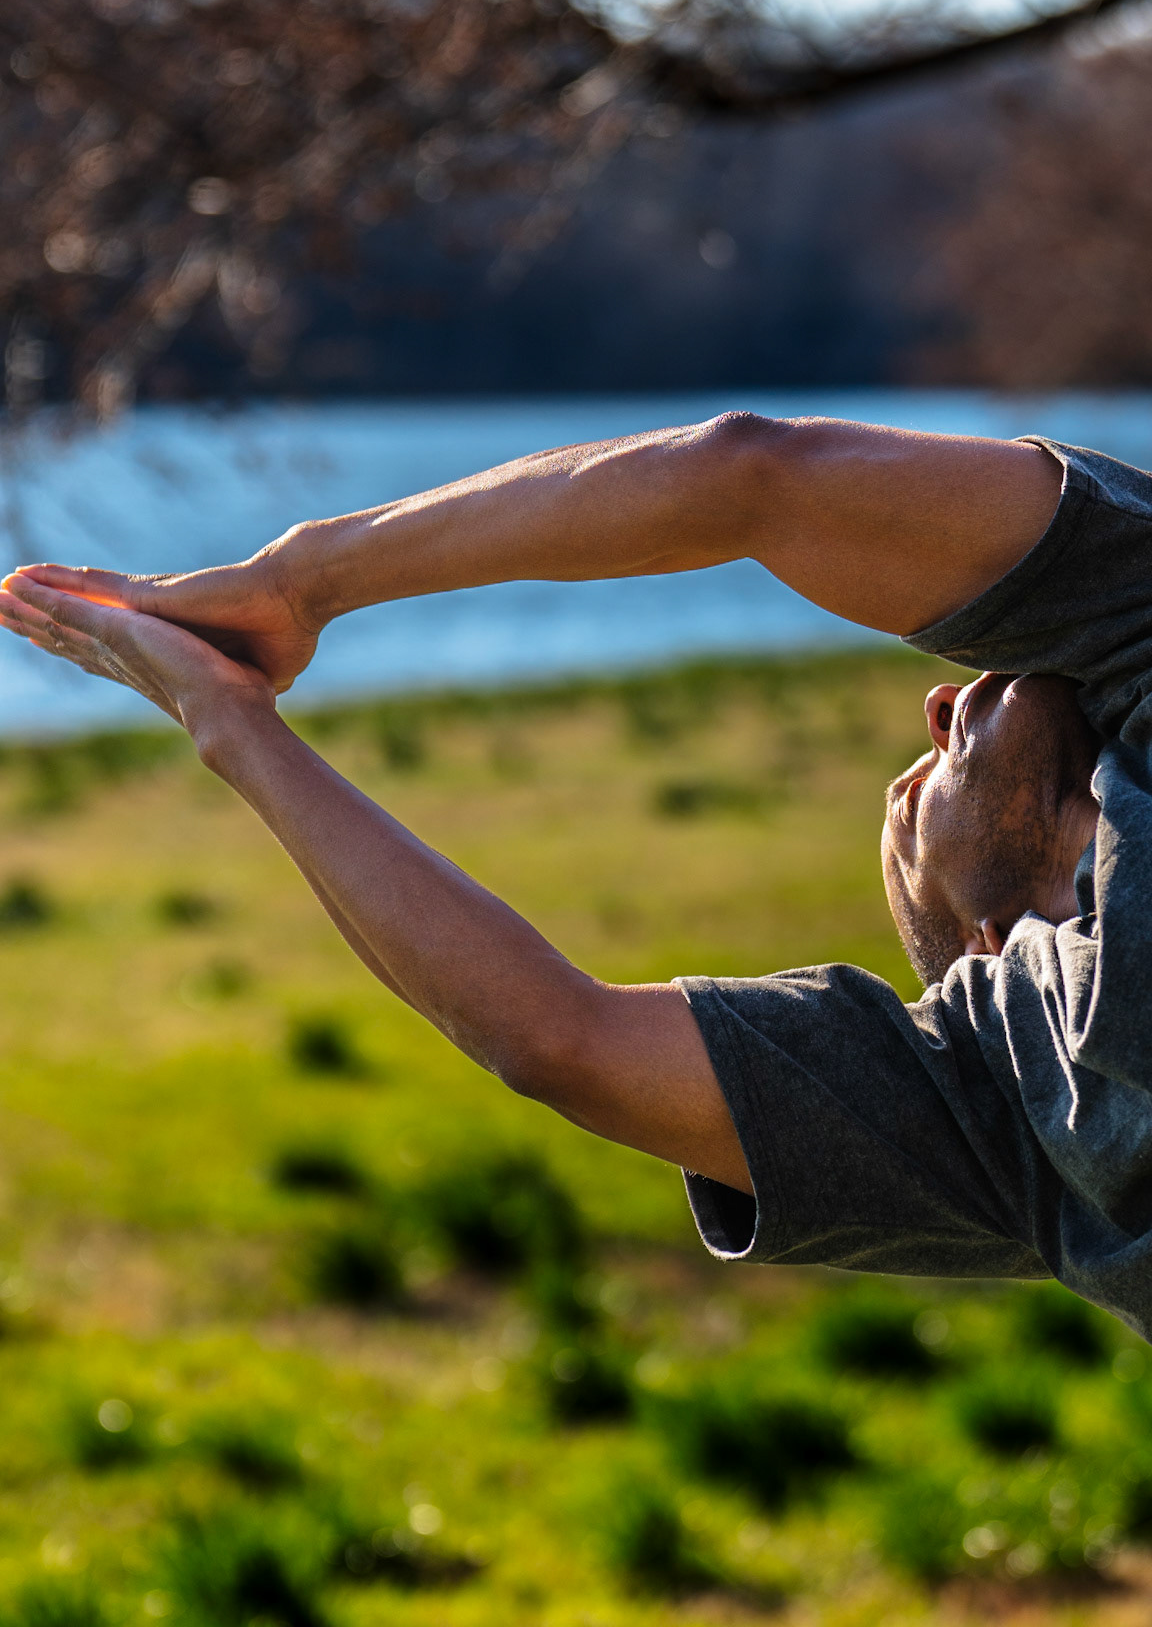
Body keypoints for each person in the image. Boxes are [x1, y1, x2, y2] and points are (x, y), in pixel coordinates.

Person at [3, 412, 1152, 1334]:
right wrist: (228, 720)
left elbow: (748, 478)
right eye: (922, 788)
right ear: (997, 945)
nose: (942, 701)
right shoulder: (1022, 1120)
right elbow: (556, 1036)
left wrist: (298, 581)